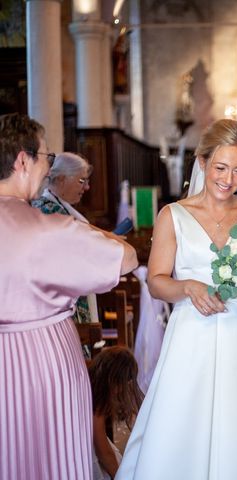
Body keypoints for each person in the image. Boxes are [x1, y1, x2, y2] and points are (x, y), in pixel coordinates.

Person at [116, 119, 237, 479]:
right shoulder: (173, 215)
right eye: (220, 168)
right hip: (191, 337)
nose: (228, 179)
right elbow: (156, 282)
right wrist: (188, 287)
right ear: (202, 163)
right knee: (183, 426)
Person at [0, 113, 138, 480]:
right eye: (46, 157)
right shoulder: (49, 228)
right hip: (44, 358)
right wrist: (98, 233)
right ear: (22, 160)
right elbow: (126, 259)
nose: (47, 168)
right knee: (53, 455)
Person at [32, 151, 95, 324]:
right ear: (60, 179)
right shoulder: (49, 210)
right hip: (59, 308)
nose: (86, 187)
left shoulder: (60, 208)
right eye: (81, 181)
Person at [89, 347, 143, 480]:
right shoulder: (98, 398)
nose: (121, 391)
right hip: (85, 447)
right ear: (114, 380)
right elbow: (102, 451)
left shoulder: (95, 383)